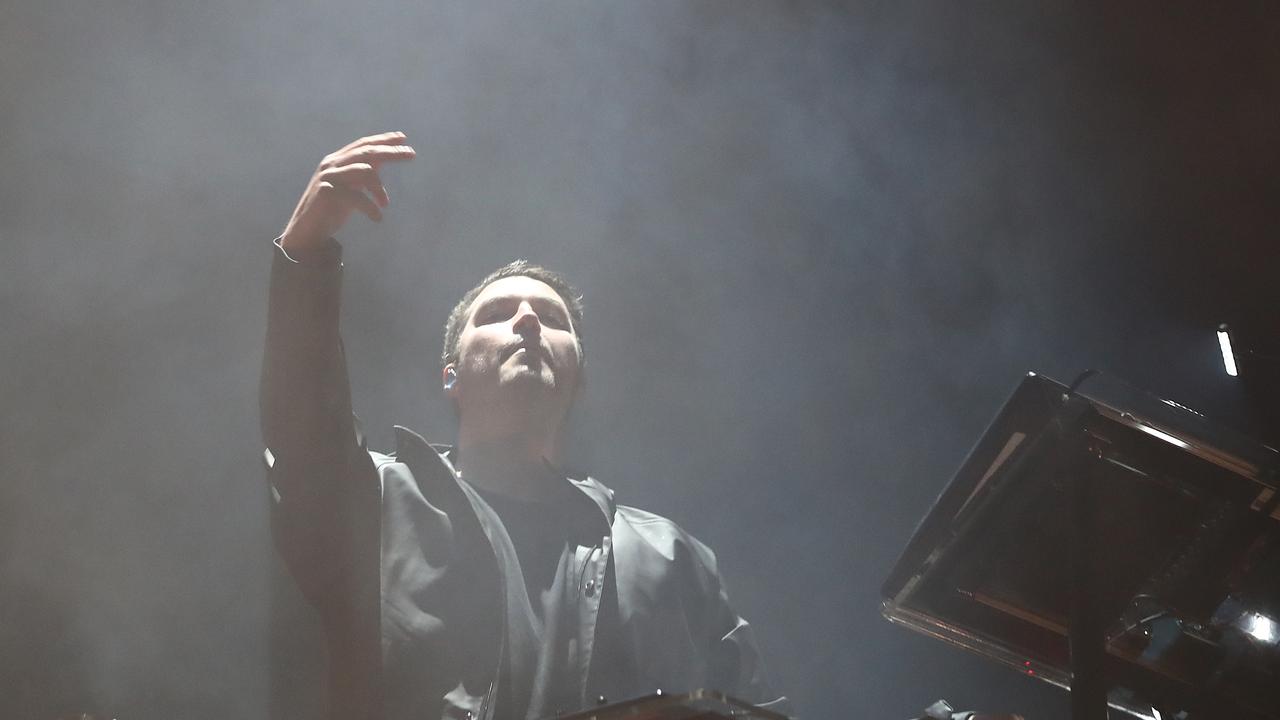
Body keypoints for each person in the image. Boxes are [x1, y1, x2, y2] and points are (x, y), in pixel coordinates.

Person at [260, 132, 788, 720]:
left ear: (577, 378)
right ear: (451, 376)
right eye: (497, 314)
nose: (529, 319)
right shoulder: (379, 500)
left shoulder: (670, 557)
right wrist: (303, 255)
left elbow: (754, 707)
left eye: (553, 319)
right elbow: (303, 428)